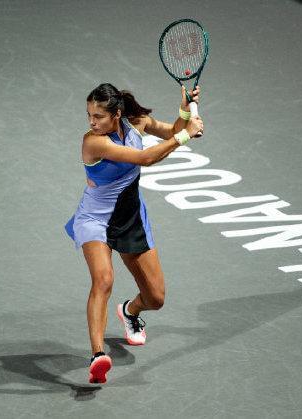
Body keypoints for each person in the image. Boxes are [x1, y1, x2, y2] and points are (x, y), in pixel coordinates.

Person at [64, 82, 203, 384]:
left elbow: (171, 130)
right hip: (95, 219)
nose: (91, 122)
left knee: (156, 298)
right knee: (103, 279)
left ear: (116, 114)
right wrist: (185, 135)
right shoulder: (93, 142)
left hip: (130, 219)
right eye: (89, 115)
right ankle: (98, 355)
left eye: (98, 116)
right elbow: (146, 158)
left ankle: (130, 310)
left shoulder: (136, 122)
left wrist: (183, 114)